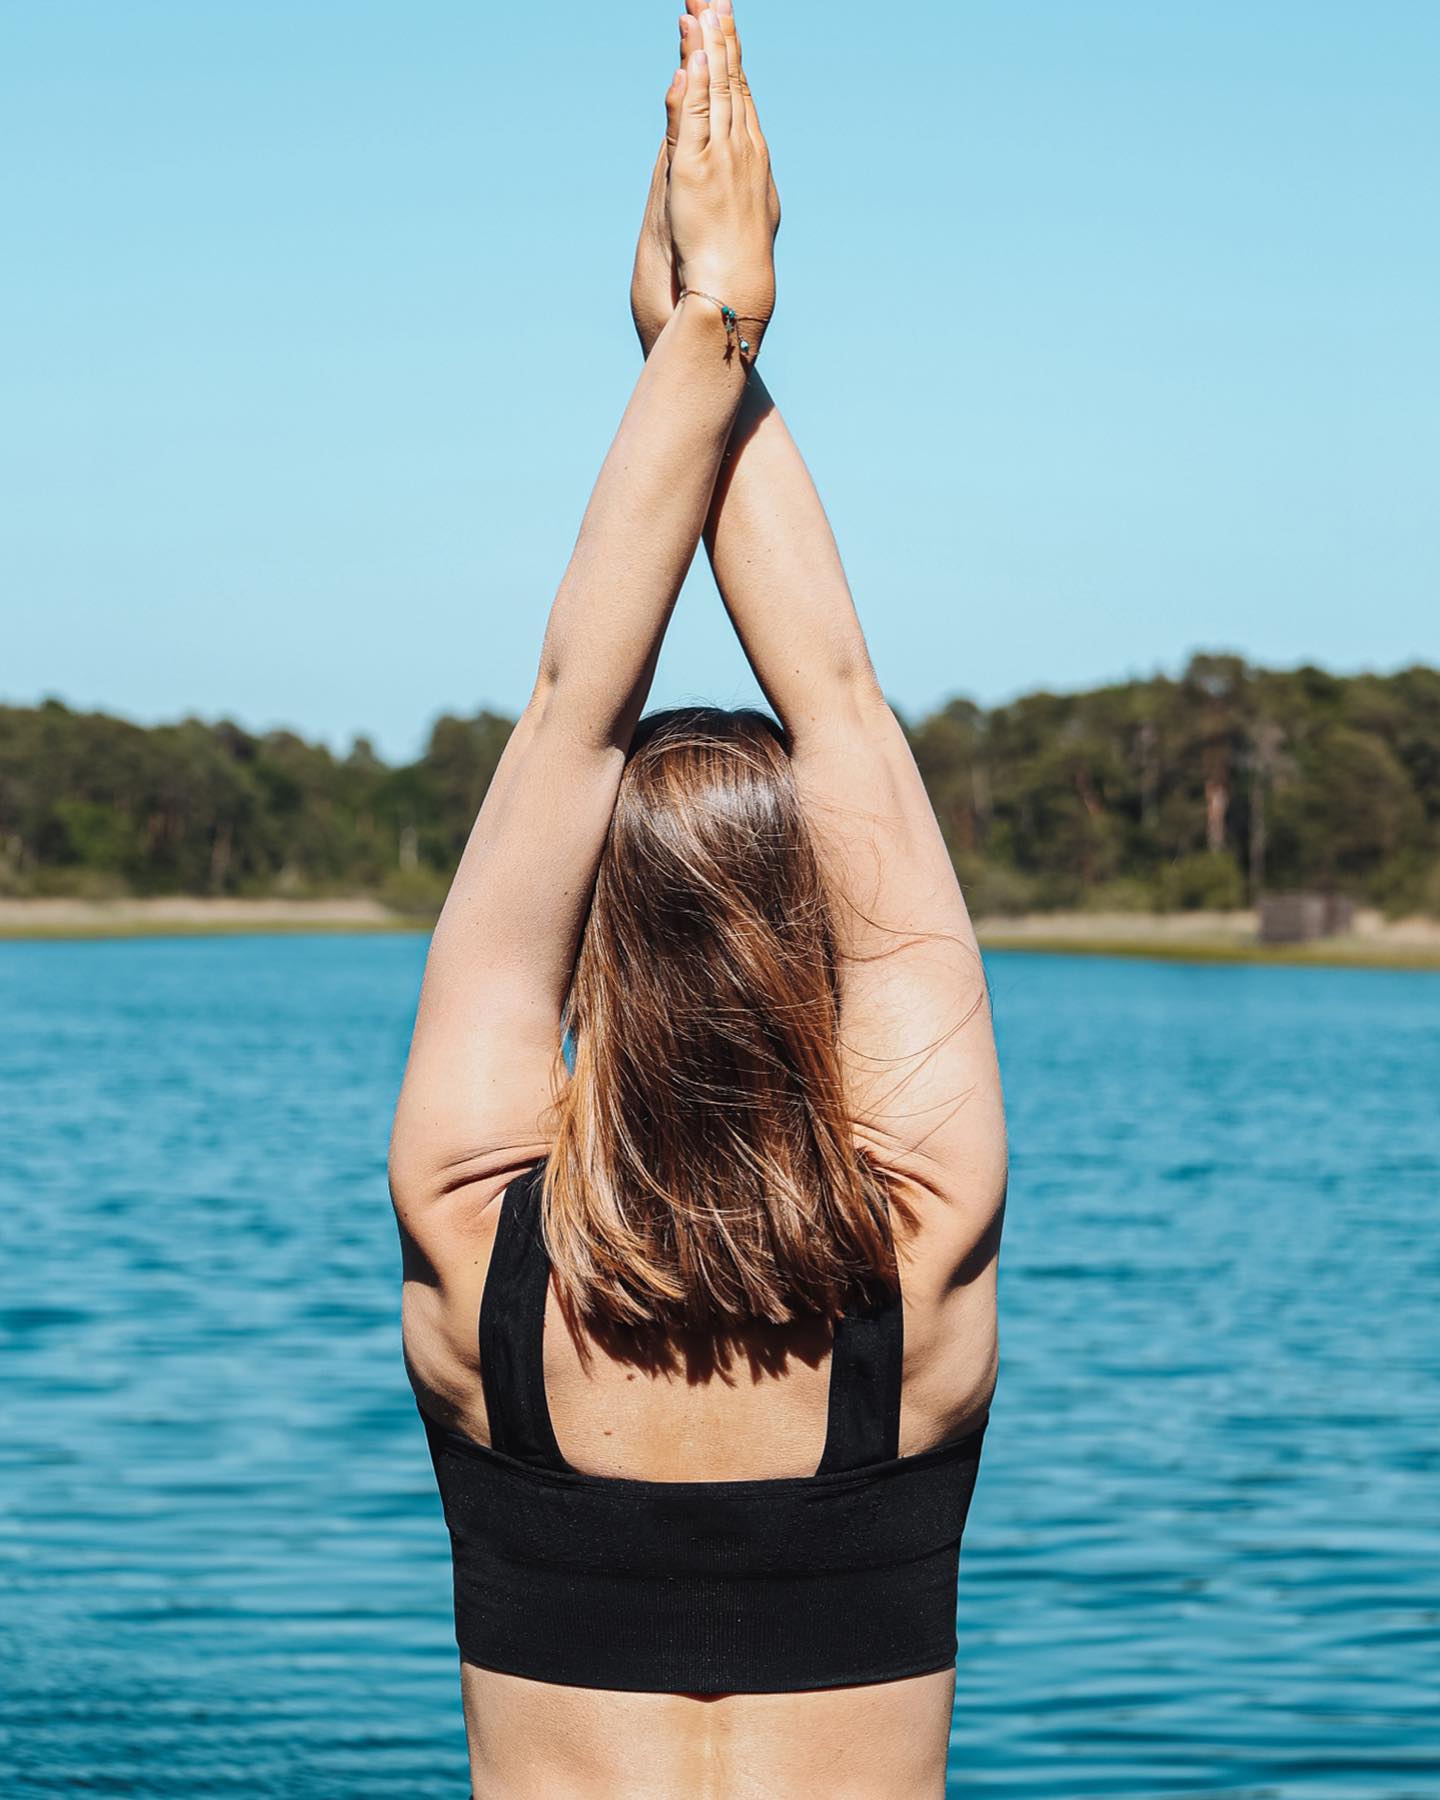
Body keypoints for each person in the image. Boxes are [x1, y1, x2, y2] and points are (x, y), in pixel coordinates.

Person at [390, 5, 1007, 1794]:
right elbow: (844, 707)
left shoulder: (469, 1238)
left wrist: (699, 339)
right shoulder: (925, 1252)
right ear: (813, 955)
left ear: (597, 941)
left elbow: (572, 711)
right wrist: (705, 341)